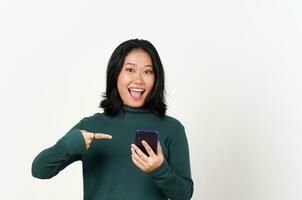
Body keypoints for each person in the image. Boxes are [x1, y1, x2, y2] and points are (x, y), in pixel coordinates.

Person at [31, 39, 194, 200]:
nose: (139, 79)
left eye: (147, 71)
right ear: (115, 74)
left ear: (156, 79)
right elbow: (39, 170)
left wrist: (160, 169)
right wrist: (68, 144)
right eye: (130, 70)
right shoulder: (91, 126)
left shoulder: (172, 128)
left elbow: (184, 194)